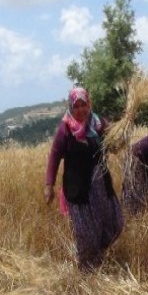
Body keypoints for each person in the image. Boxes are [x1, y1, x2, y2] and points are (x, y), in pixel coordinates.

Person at [44, 87, 124, 271]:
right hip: (78, 189)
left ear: (89, 104)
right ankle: (88, 273)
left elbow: (114, 145)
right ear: (71, 107)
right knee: (87, 234)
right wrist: (49, 185)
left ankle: (98, 255)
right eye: (76, 106)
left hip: (101, 186)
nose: (80, 110)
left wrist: (121, 134)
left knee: (116, 224)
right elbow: (54, 156)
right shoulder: (66, 128)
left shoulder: (99, 124)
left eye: (83, 105)